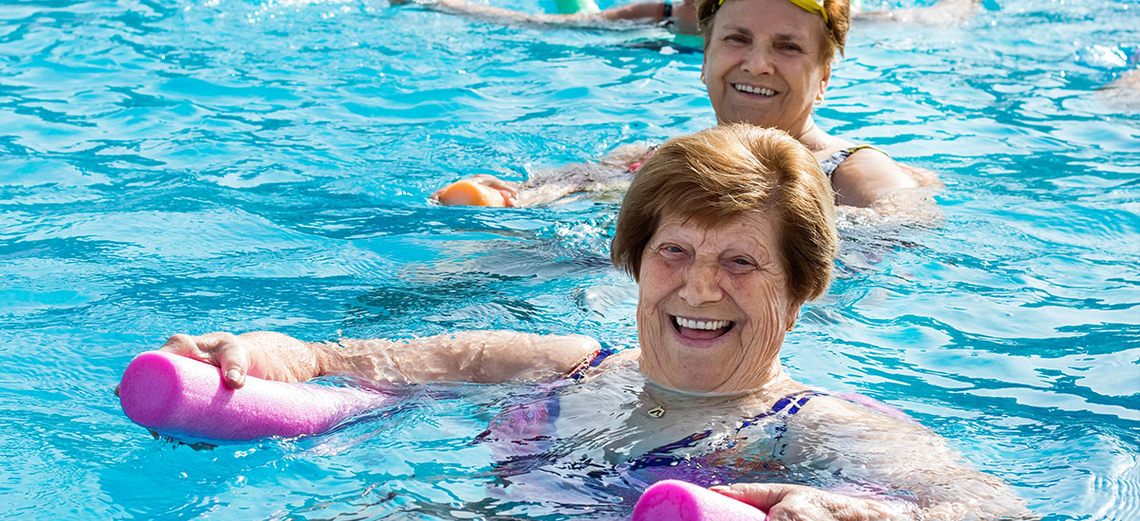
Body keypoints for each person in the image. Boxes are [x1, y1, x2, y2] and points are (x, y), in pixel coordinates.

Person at [156, 125, 1028, 519]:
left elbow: (993, 512)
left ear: (800, 292)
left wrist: (863, 517)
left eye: (741, 262)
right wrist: (281, 355)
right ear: (638, 263)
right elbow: (371, 356)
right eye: (675, 253)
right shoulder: (564, 364)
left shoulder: (818, 430)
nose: (700, 288)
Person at [433, 0, 938, 211]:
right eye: (737, 40)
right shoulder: (655, 156)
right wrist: (507, 197)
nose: (757, 65)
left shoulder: (855, 173)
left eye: (787, 47)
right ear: (704, 59)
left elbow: (896, 235)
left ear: (823, 77)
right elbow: (574, 184)